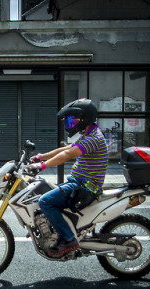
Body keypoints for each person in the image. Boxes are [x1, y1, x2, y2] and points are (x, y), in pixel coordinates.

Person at [27, 98, 108, 257]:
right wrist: (41, 157)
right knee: (45, 190)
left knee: (45, 201)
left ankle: (69, 238)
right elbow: (66, 148)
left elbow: (67, 154)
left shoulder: (93, 139)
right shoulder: (88, 134)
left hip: (85, 187)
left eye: (73, 119)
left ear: (85, 118)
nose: (70, 123)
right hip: (78, 183)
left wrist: (42, 166)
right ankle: (56, 230)